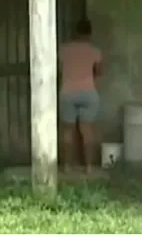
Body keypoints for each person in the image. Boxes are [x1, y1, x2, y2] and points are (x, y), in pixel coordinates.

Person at [58, 18, 103, 174]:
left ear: (75, 32)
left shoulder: (64, 50)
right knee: (87, 131)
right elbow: (99, 72)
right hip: (88, 93)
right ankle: (89, 167)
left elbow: (59, 68)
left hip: (68, 92)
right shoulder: (95, 51)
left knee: (68, 131)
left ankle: (67, 167)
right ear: (89, 33)